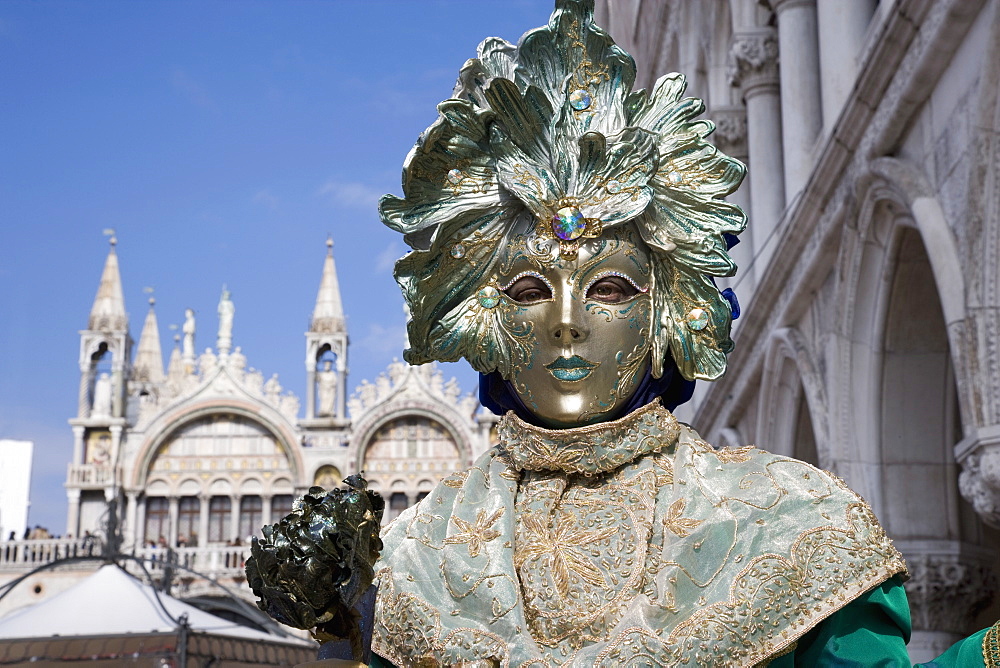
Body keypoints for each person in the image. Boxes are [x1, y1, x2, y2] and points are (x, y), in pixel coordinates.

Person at [274, 1, 997, 665]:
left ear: (668, 308)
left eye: (610, 289)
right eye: (529, 290)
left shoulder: (788, 523)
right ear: (482, 315)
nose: (565, 321)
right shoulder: (407, 563)